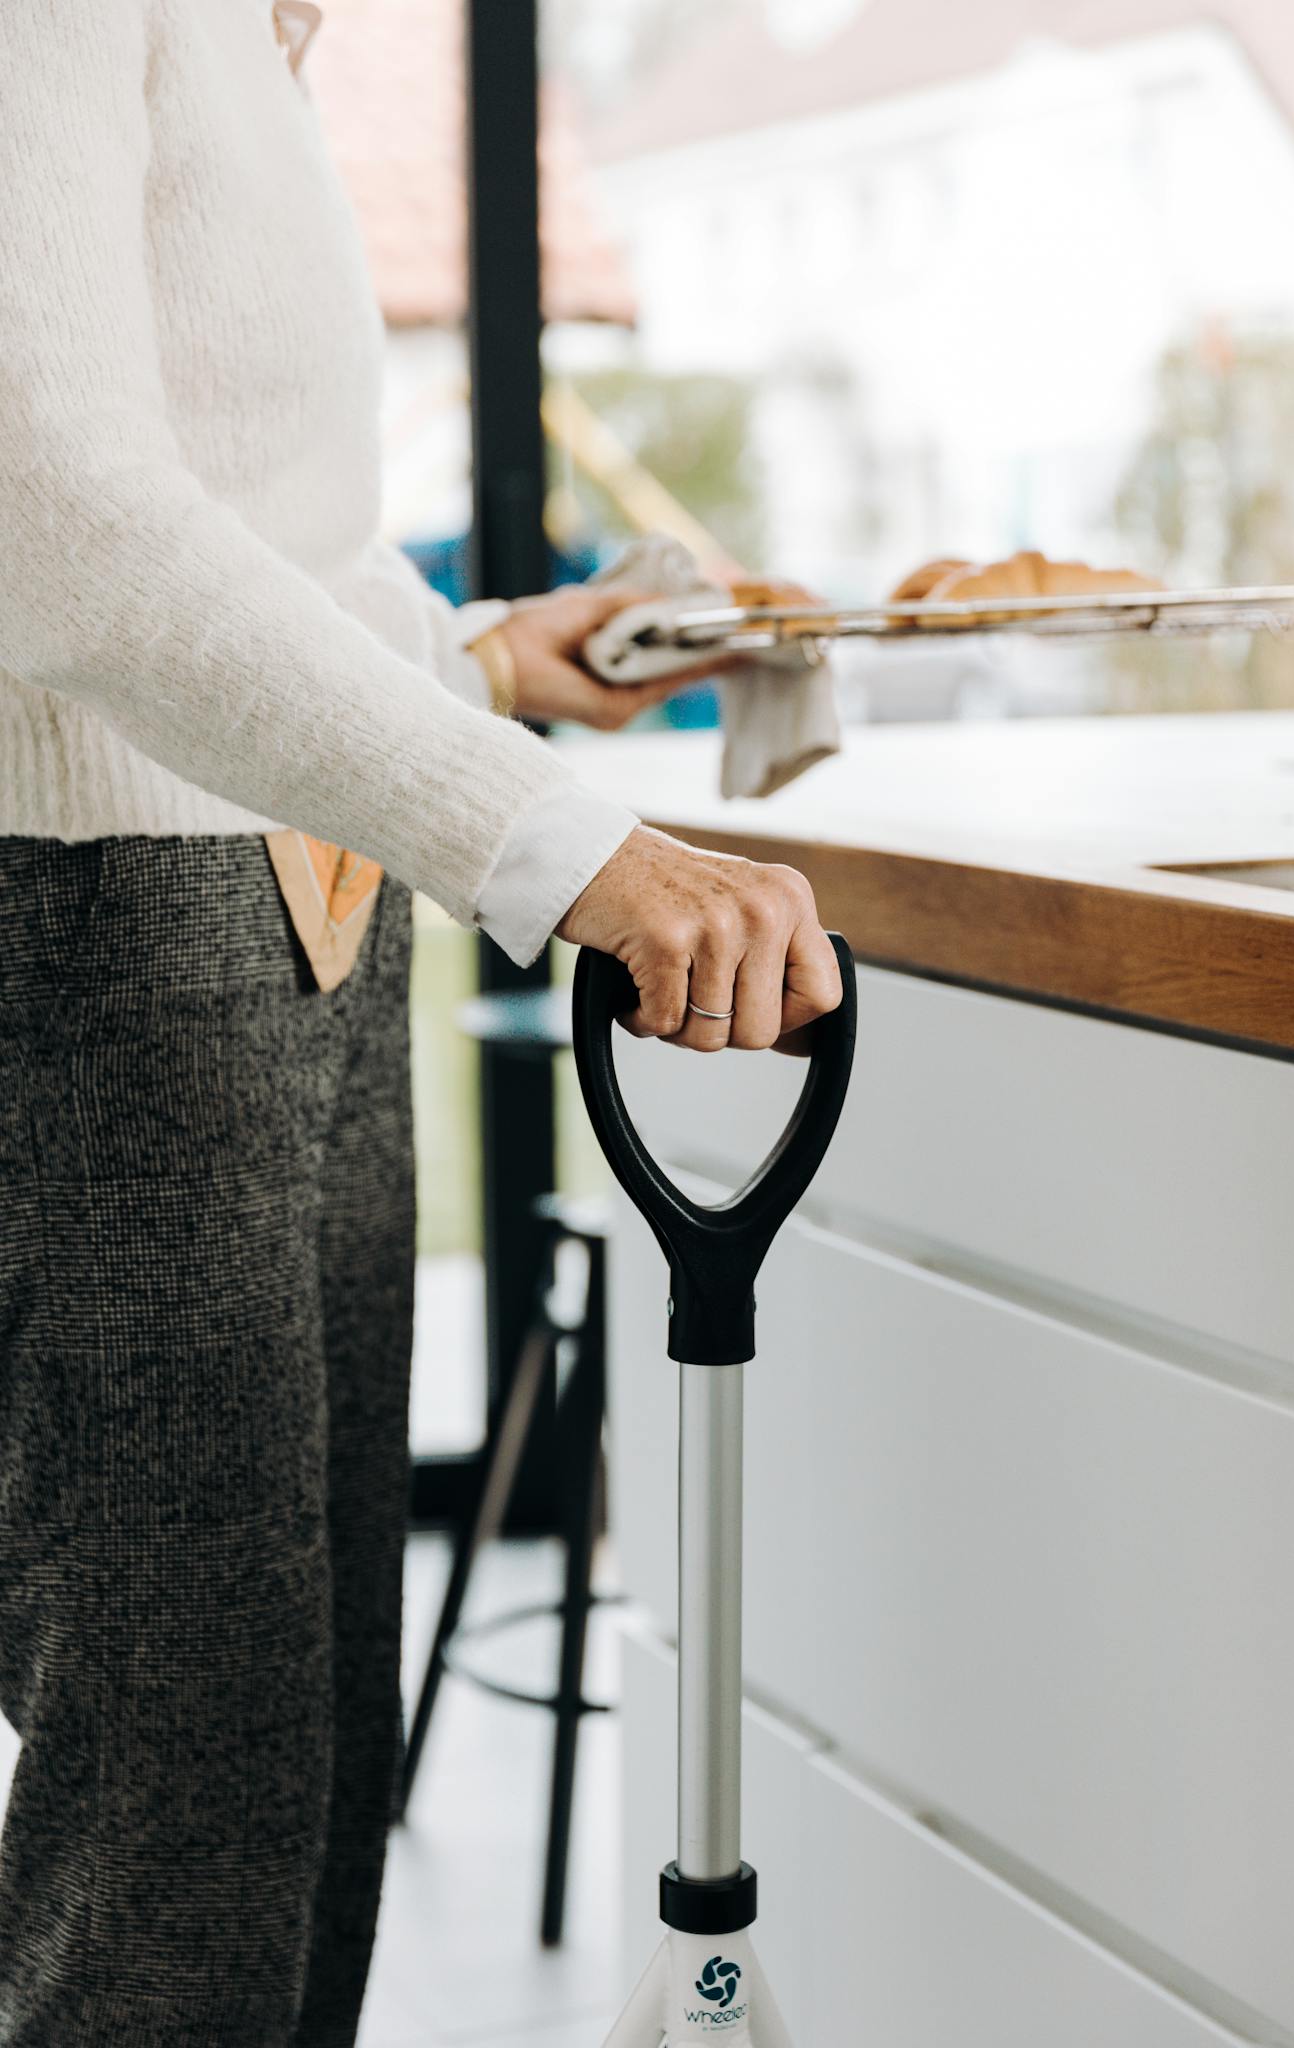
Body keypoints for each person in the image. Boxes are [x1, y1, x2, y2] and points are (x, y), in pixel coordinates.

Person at [0, 5, 842, 2045]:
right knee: (181, 1817)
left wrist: (473, 653)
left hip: (290, 911)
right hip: (114, 931)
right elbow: (53, 516)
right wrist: (572, 857)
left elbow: (237, 509)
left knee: (289, 1777)